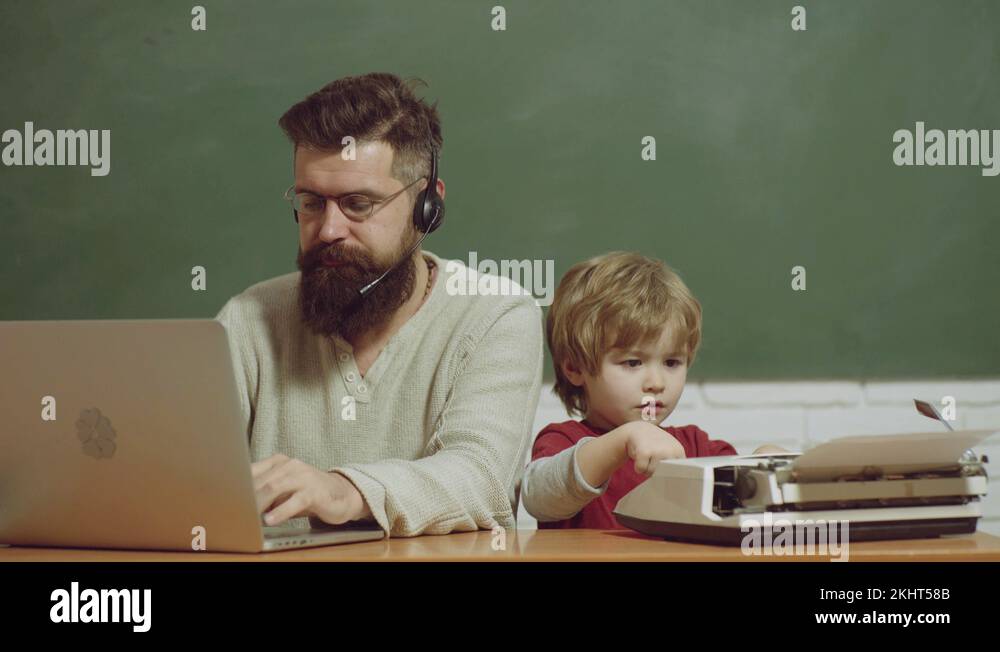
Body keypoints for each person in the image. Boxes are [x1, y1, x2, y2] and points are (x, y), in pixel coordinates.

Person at [215, 73, 543, 537]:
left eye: (358, 204)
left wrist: (344, 491)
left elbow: (481, 478)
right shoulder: (248, 319)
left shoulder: (496, 315)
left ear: (427, 206)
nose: (328, 230)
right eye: (311, 202)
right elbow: (191, 481)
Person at [521, 251, 786, 529]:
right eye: (633, 362)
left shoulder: (696, 446)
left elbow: (738, 508)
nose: (657, 383)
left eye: (672, 362)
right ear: (574, 368)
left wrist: (767, 467)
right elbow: (538, 497)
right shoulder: (563, 440)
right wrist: (626, 439)